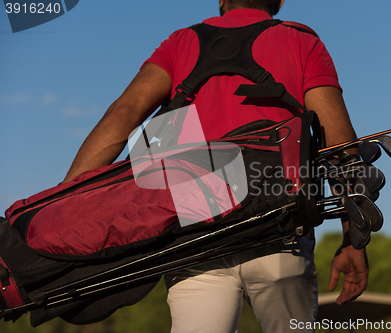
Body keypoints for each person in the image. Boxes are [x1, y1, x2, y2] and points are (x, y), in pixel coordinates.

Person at [62, 0, 369, 331]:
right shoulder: (301, 41)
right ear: (278, 1)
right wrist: (354, 238)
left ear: (222, 0)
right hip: (279, 222)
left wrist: (64, 207)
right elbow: (339, 144)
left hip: (196, 231)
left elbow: (123, 115)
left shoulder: (182, 43)